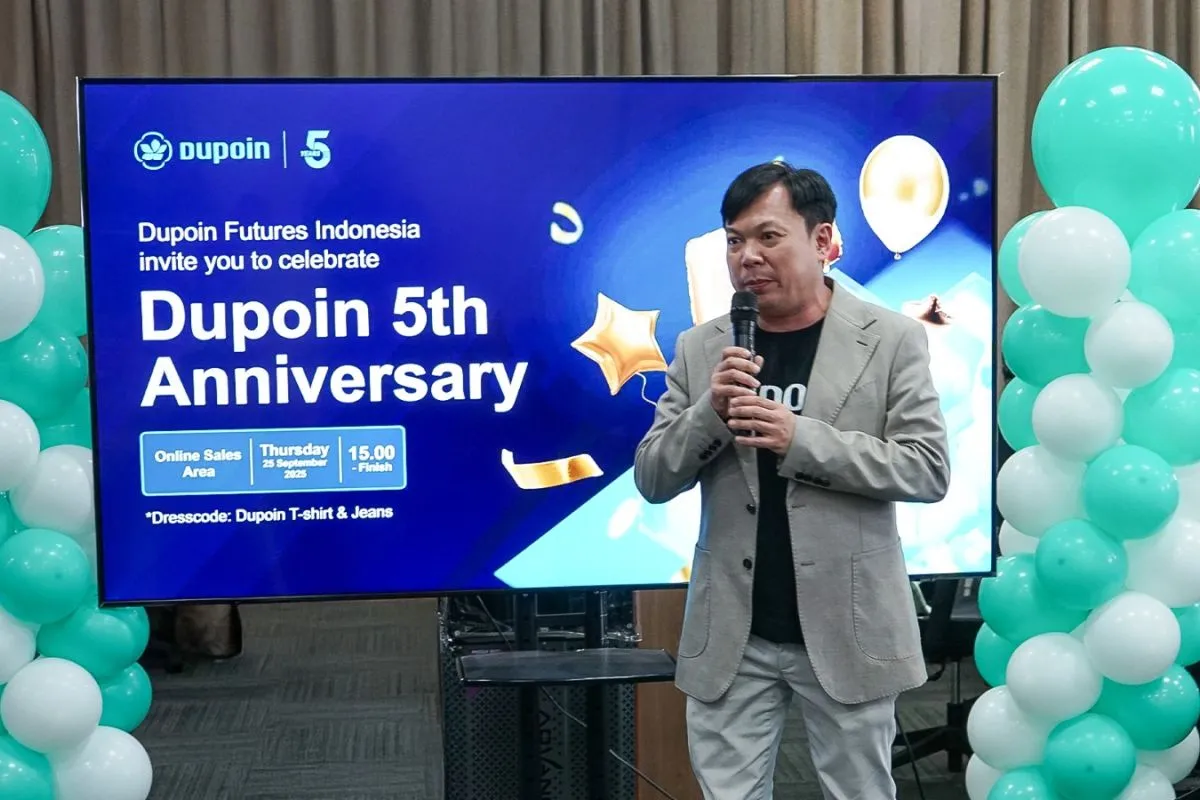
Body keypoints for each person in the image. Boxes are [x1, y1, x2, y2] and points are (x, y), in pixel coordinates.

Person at [633, 161, 950, 799]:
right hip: (734, 632)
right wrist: (710, 413)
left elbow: (926, 468)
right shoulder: (701, 348)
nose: (747, 256)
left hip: (847, 626)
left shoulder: (891, 339)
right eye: (734, 240)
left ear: (822, 239)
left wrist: (799, 439)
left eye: (768, 236)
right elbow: (653, 476)